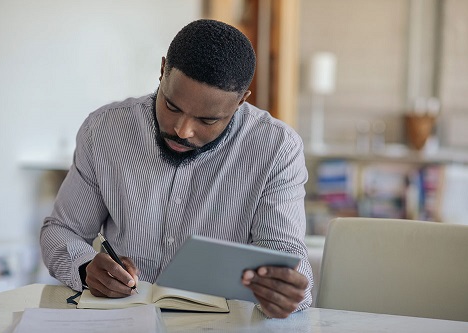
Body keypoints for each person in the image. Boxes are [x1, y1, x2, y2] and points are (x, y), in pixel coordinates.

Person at [40, 19, 313, 318]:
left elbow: (285, 254)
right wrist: (85, 266)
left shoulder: (277, 148)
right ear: (162, 71)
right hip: (123, 321)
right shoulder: (105, 130)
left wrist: (285, 291)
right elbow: (62, 230)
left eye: (207, 120)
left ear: (240, 102)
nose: (182, 130)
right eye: (171, 106)